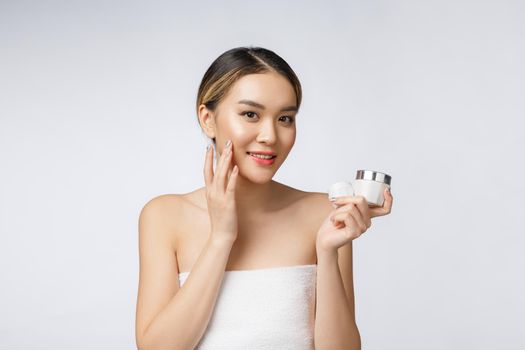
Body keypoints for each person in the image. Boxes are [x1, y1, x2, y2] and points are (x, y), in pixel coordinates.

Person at [135, 46, 393, 350]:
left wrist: (326, 250)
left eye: (285, 118)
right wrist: (221, 238)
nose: (270, 135)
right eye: (250, 114)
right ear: (207, 119)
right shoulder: (165, 216)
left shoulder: (323, 214)